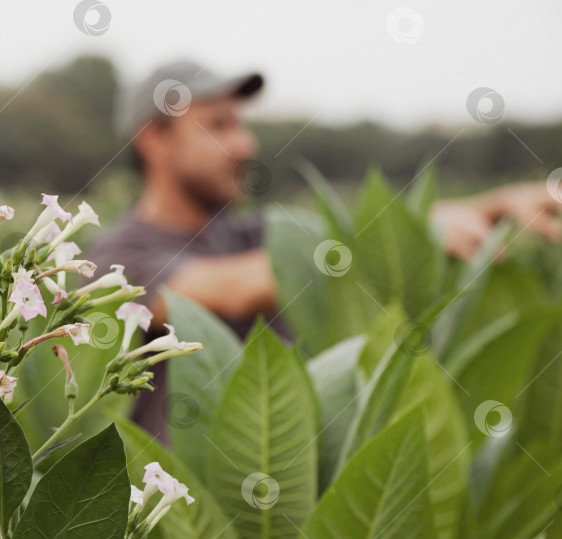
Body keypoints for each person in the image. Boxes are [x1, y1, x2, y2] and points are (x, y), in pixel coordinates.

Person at [86, 60, 562, 443]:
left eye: (241, 124)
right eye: (218, 125)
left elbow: (324, 242)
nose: (245, 142)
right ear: (153, 140)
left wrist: (496, 206)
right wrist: (412, 236)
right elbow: (226, 290)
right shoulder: (117, 258)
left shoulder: (246, 237)